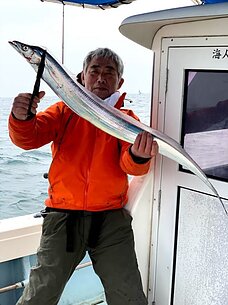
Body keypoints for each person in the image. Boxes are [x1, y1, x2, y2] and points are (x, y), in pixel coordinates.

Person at [8, 47, 158, 305]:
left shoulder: (128, 119)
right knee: (40, 294)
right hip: (63, 217)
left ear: (119, 82)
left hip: (111, 220)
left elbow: (130, 165)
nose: (101, 77)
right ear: (82, 77)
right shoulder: (63, 112)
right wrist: (21, 118)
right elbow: (29, 138)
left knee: (128, 295)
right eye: (95, 71)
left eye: (109, 72)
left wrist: (139, 155)